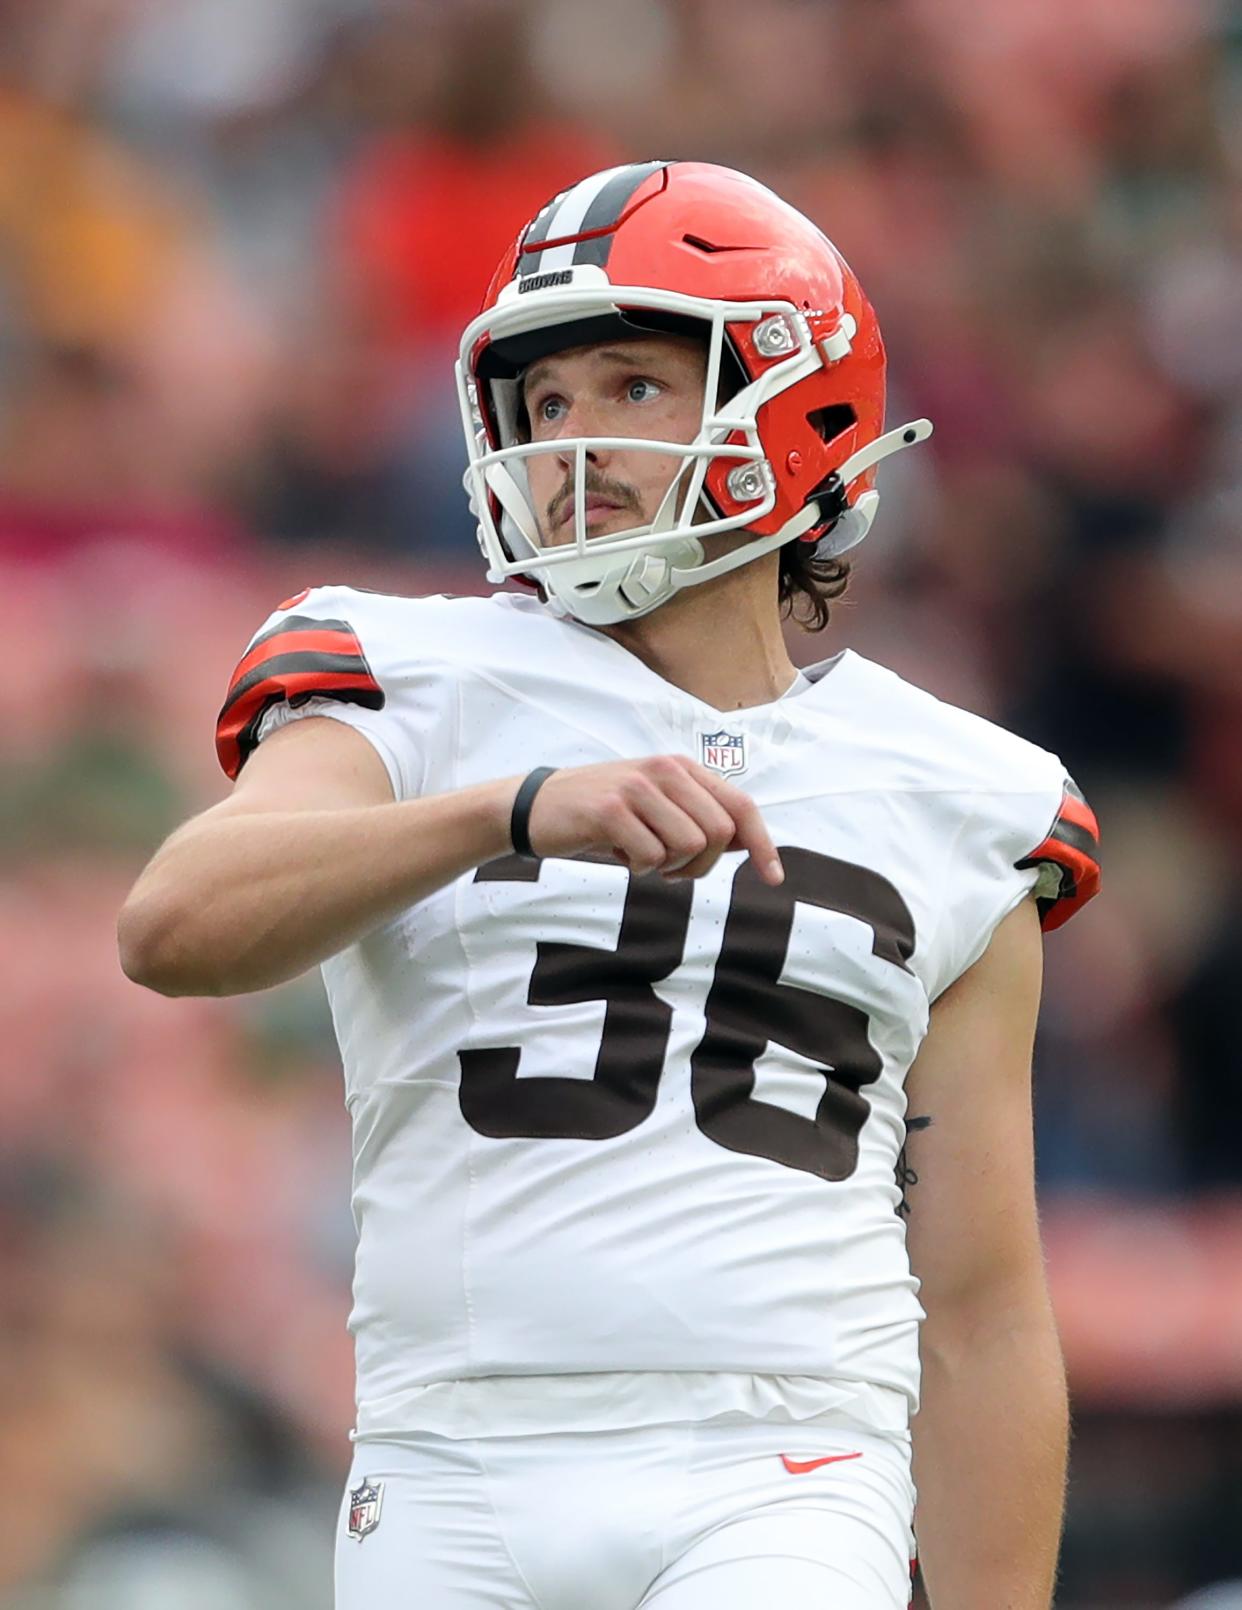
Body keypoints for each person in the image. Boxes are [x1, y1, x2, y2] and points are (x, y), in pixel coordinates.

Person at [118, 161, 1101, 1610]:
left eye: (633, 386)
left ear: (796, 409)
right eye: (549, 401)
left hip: (784, 1460)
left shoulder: (957, 794)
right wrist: (506, 814)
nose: (571, 440)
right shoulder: (411, 678)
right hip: (447, 1453)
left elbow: (977, 1304)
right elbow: (174, 924)